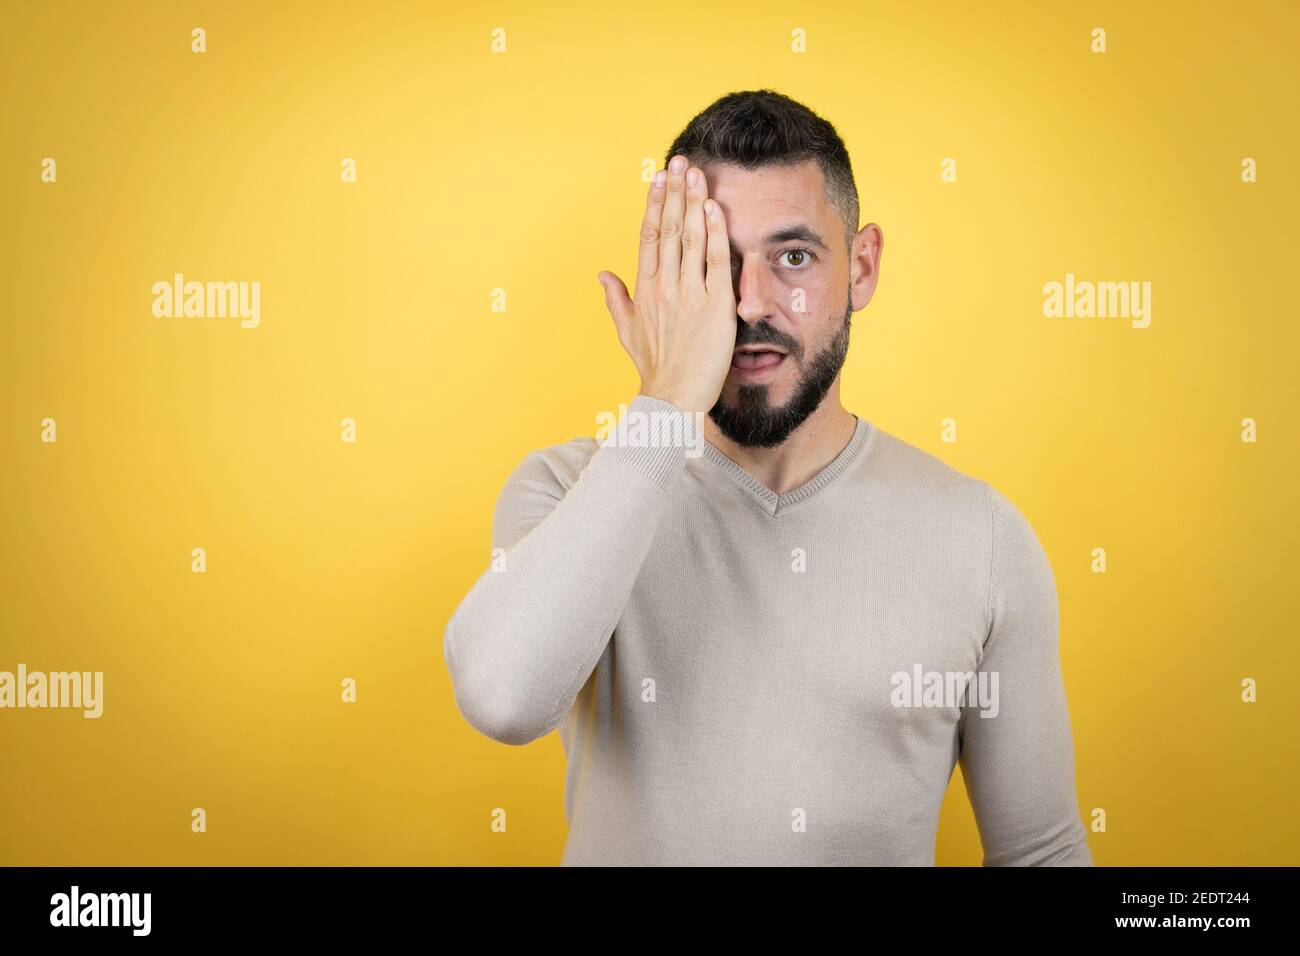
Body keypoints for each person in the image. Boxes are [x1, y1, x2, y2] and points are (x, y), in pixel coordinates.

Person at [443, 89, 1093, 866]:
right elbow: (503, 698)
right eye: (715, 265)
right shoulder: (569, 491)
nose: (750, 303)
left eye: (793, 257)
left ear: (861, 267)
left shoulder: (980, 538)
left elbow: (1041, 853)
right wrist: (668, 401)